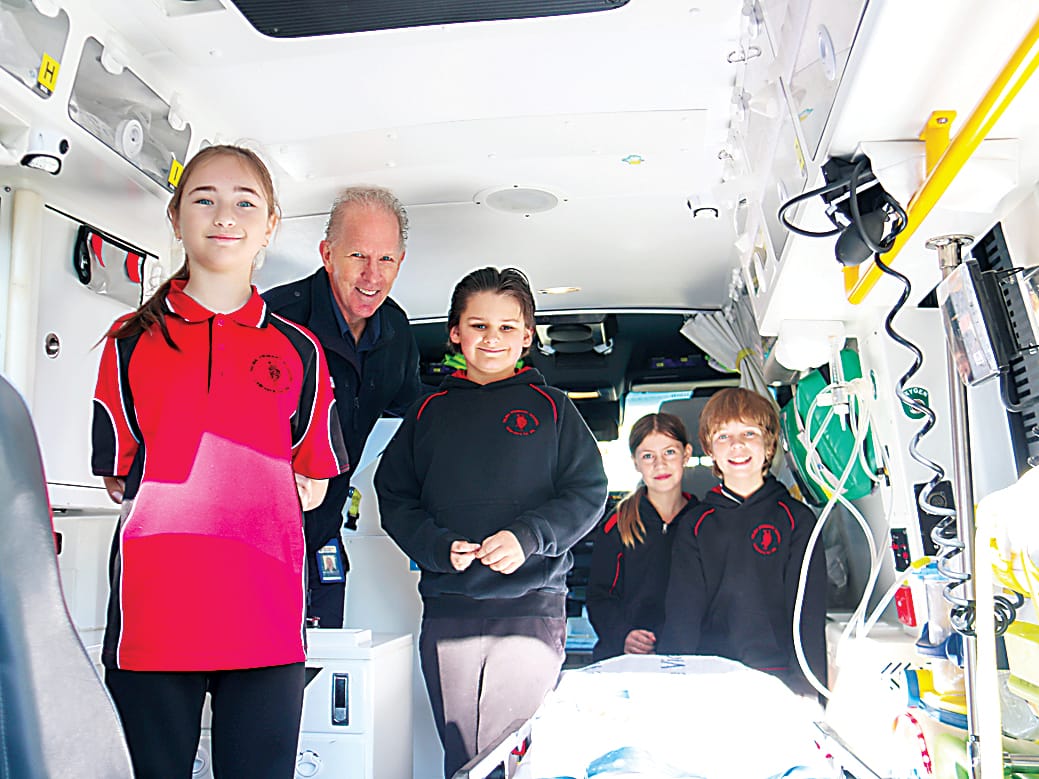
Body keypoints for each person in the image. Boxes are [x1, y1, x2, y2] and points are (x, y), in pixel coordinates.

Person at [90, 144, 349, 779]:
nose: (224, 216)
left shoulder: (301, 349)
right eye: (204, 200)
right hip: (153, 621)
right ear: (176, 217)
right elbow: (119, 475)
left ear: (271, 225)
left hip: (266, 620)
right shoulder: (130, 339)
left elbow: (316, 478)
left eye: (245, 203)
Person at [374, 267, 608, 778]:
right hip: (449, 608)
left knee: (506, 758)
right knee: (462, 756)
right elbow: (393, 496)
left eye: (507, 327)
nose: (492, 338)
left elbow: (588, 492)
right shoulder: (427, 412)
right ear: (455, 332)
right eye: (479, 326)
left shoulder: (553, 409)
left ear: (527, 336)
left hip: (530, 607)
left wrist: (528, 538)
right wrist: (437, 546)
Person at [264, 186, 423, 627]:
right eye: (358, 256)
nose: (372, 275)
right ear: (327, 254)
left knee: (327, 654)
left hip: (325, 532)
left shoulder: (396, 330)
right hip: (259, 537)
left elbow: (412, 411)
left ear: (400, 262)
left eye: (385, 259)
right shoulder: (275, 320)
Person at [657, 387, 827, 697]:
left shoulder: (796, 519)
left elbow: (809, 613)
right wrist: (673, 684)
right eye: (723, 436)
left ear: (769, 445)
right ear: (710, 449)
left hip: (778, 679)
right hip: (712, 678)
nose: (737, 445)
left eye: (749, 433)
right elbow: (682, 614)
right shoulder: (695, 525)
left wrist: (807, 689)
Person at [585, 412, 700, 662]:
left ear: (686, 454)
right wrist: (623, 635)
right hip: (628, 656)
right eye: (648, 456)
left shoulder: (704, 522)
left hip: (692, 655)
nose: (660, 464)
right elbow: (599, 596)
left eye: (670, 452)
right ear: (635, 463)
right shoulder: (618, 523)